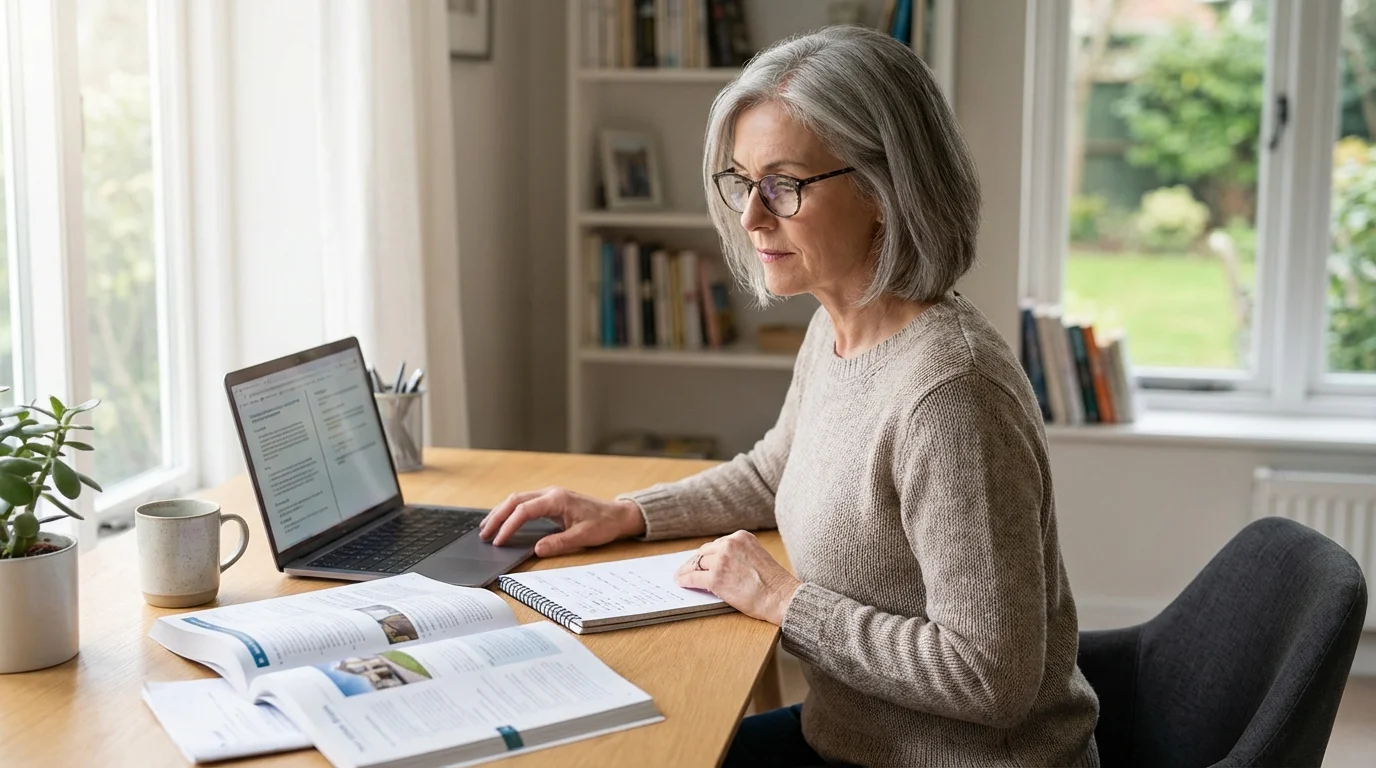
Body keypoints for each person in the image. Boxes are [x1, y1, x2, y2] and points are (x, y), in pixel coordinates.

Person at [481, 25, 1099, 768]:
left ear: (883, 188)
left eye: (784, 185)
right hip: (852, 740)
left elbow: (988, 677)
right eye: (743, 182)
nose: (750, 218)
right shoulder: (840, 324)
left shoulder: (951, 397)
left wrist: (782, 601)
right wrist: (628, 513)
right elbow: (777, 469)